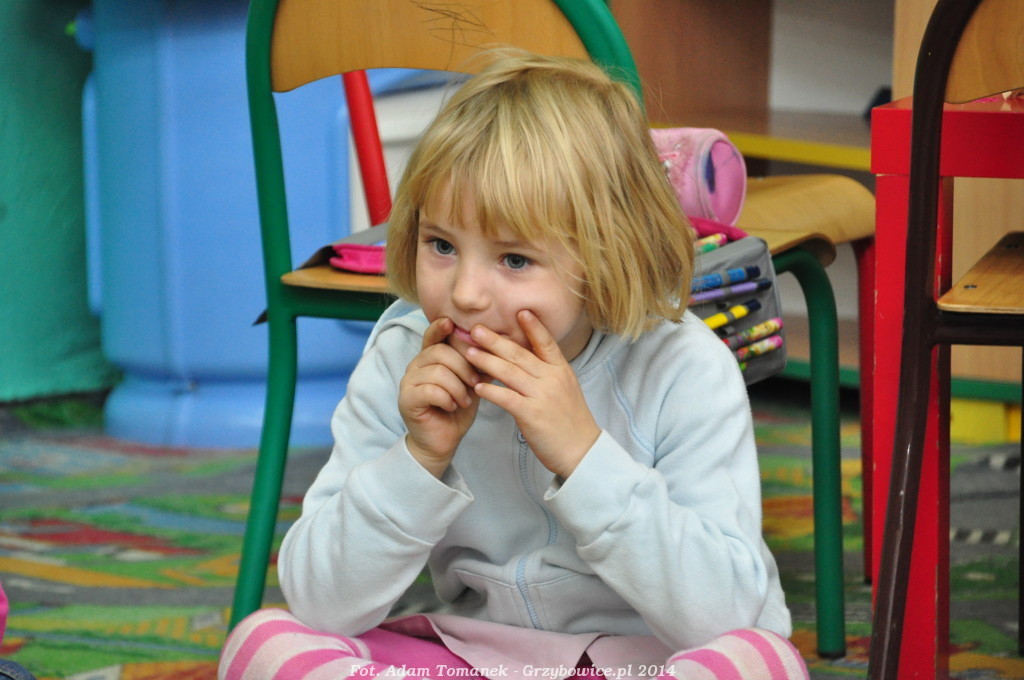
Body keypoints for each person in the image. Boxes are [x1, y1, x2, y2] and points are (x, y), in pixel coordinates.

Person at [220, 50, 807, 680]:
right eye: (441, 245)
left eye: (515, 259)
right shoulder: (403, 354)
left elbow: (727, 613)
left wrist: (584, 456)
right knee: (265, 642)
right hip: (469, 657)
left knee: (760, 662)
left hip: (643, 663)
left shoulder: (683, 365)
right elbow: (321, 603)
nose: (467, 293)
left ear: (609, 255)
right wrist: (416, 461)